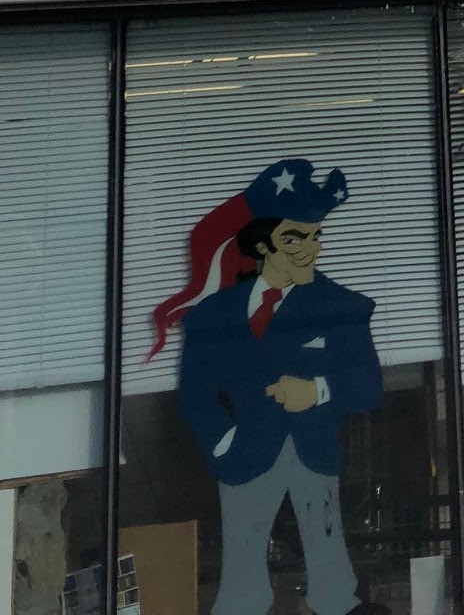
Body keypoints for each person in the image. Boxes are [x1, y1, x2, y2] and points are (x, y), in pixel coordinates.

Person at [154, 158, 382, 615]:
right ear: (263, 244)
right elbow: (194, 396)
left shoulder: (342, 307)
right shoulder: (213, 317)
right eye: (294, 238)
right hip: (244, 453)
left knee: (333, 582)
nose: (310, 250)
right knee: (241, 589)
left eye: (316, 236)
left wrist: (317, 391)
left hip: (314, 453)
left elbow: (368, 385)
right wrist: (223, 440)